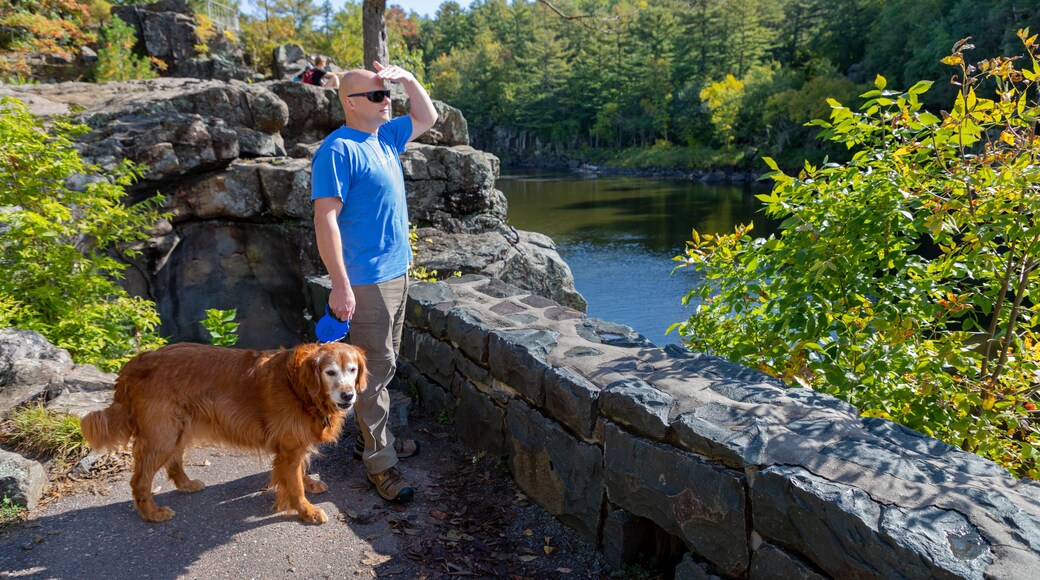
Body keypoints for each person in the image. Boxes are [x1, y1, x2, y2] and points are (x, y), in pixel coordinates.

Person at [310, 62, 438, 503]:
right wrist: (340, 285)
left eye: (389, 95)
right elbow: (325, 220)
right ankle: (380, 463)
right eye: (378, 96)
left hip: (397, 274)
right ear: (350, 103)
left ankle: (373, 439)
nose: (388, 102)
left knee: (383, 368)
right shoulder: (337, 150)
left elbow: (428, 117)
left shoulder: (383, 136)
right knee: (368, 377)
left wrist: (406, 80)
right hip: (365, 282)